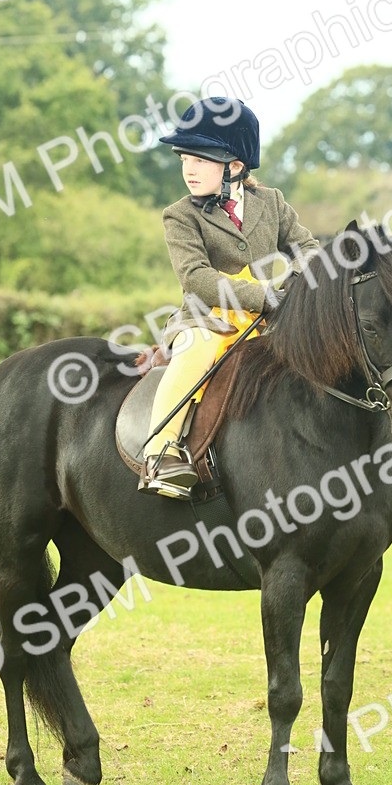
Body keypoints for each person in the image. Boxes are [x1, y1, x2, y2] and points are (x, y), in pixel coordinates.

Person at [139, 97, 321, 498]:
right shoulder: (180, 215)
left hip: (266, 322)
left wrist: (297, 284)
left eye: (200, 160)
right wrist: (266, 296)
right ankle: (162, 453)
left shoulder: (271, 202)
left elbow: (308, 248)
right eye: (185, 158)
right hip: (206, 320)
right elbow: (196, 278)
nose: (188, 169)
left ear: (235, 166)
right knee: (196, 353)